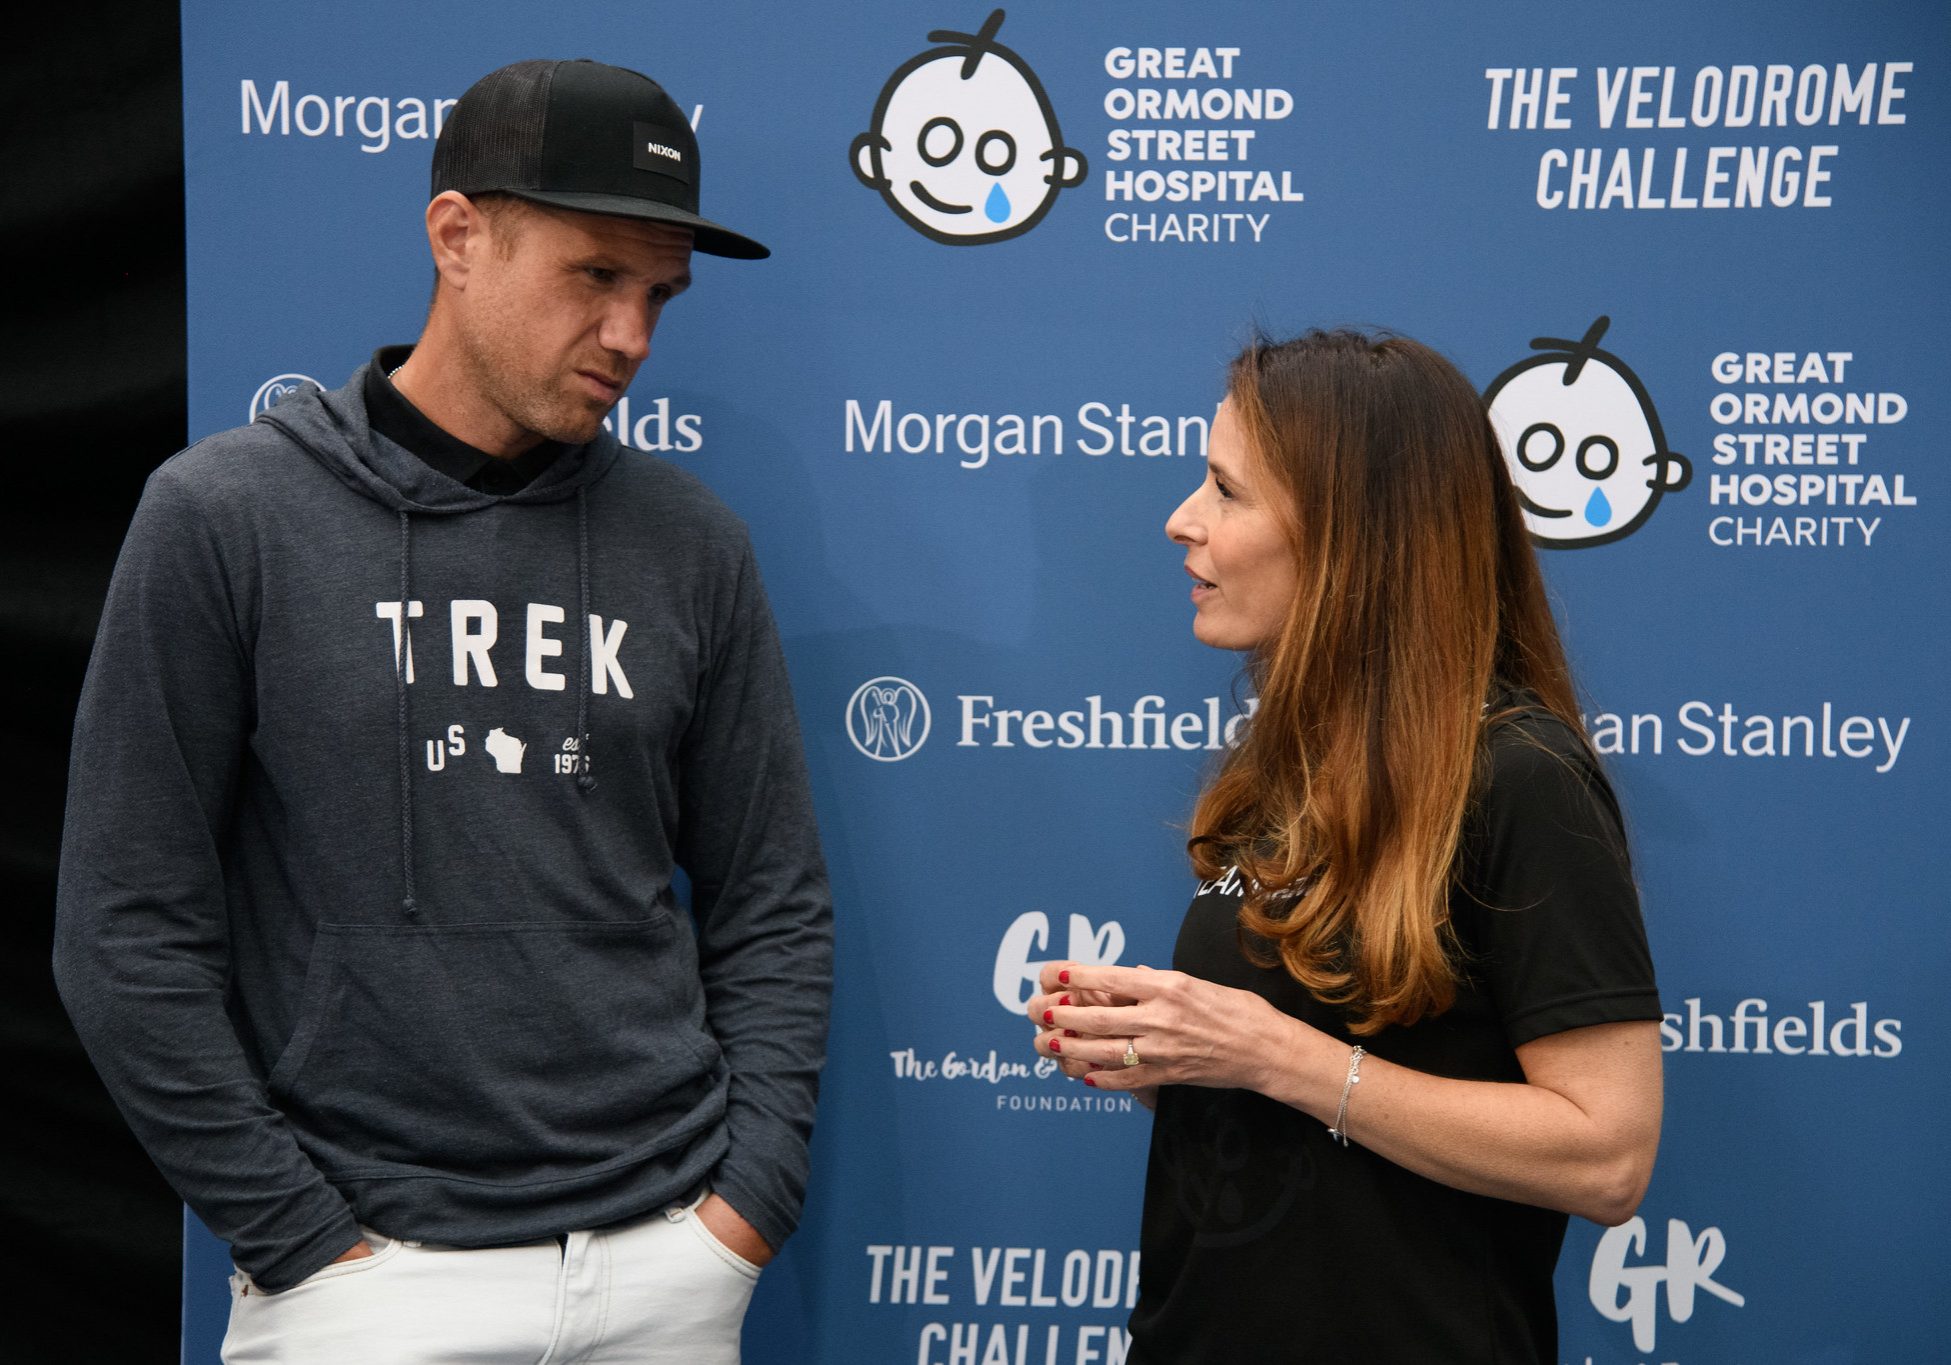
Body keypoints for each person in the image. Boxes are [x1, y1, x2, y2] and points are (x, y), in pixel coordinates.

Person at [53, 59, 832, 1364]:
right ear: (458, 236)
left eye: (657, 295)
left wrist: (740, 1211)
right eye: (595, 276)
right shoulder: (227, 519)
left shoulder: (691, 545)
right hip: (369, 1278)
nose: (631, 337)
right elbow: (125, 928)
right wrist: (299, 1240)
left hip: (663, 1271)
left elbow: (772, 900)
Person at [1028, 330, 1662, 1363]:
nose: (1181, 520)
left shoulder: (1519, 777)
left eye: (1227, 493)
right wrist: (1160, 1051)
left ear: (1352, 538)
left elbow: (1607, 1155)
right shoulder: (1285, 762)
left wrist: (1274, 1055)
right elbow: (1301, 1103)